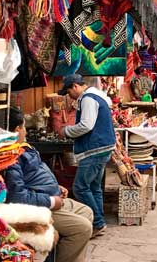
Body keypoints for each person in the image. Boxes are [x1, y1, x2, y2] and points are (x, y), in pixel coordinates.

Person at [4, 108, 94, 262]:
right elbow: (17, 196)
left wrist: (55, 187)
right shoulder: (11, 157)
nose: (25, 131)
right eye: (24, 127)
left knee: (86, 211)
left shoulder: (24, 148)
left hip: (49, 197)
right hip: (38, 207)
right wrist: (51, 200)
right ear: (17, 130)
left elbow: (37, 175)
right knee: (82, 228)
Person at [55, 74, 116, 236]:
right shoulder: (95, 95)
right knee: (94, 187)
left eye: (68, 92)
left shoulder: (88, 98)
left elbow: (86, 125)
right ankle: (99, 222)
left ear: (75, 86)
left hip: (95, 149)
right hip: (102, 147)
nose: (69, 96)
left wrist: (66, 131)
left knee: (80, 187)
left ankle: (97, 222)